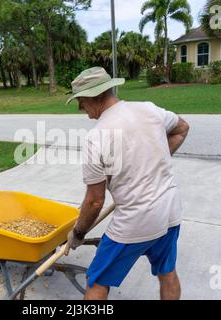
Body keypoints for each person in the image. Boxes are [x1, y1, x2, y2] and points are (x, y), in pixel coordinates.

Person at [64, 67, 190, 300]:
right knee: (167, 271)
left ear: (94, 97)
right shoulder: (149, 109)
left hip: (135, 220)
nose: (83, 111)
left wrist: (78, 232)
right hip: (170, 211)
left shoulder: (96, 137)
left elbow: (94, 201)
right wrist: (153, 162)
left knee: (97, 282)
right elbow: (182, 129)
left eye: (81, 102)